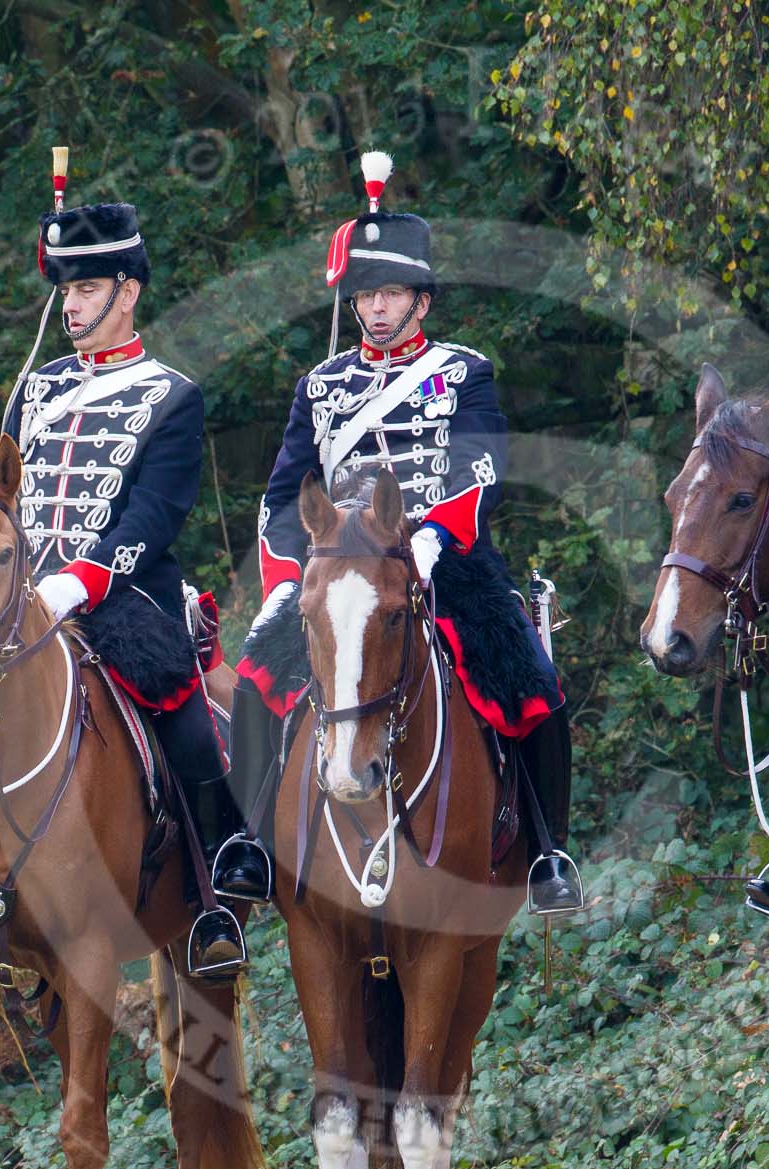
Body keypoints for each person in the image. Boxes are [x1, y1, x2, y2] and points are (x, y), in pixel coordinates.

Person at [0, 172, 267, 978]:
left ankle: (222, 874)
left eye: (88, 289)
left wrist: (83, 579)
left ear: (129, 291)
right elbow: (4, 502)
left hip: (124, 594)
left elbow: (154, 517)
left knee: (173, 698)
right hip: (19, 598)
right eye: (66, 290)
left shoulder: (170, 396)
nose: (72, 305)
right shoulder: (33, 391)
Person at [230, 152, 581, 915]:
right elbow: (287, 496)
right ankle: (250, 845)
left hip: (445, 562)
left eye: (391, 293)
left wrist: (426, 543)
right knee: (257, 684)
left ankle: (550, 848)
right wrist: (284, 584)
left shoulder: (464, 373)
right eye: (366, 295)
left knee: (534, 690)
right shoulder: (319, 390)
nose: (377, 308)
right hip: (339, 573)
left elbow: (478, 471)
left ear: (422, 300)